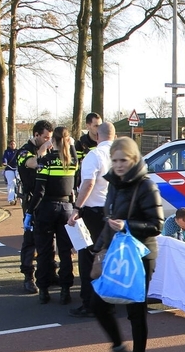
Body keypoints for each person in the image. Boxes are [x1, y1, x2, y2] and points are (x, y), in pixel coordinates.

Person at [91, 136, 164, 352]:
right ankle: (119, 350)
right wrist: (97, 248)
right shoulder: (114, 183)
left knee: (135, 309)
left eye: (123, 160)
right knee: (98, 303)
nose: (119, 165)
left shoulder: (146, 185)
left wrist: (128, 225)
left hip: (141, 254)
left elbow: (157, 225)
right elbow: (109, 221)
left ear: (133, 159)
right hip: (116, 252)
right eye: (114, 160)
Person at [67, 121, 114, 317]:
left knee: (89, 258)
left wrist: (77, 208)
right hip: (116, 212)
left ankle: (90, 303)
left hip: (94, 212)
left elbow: (88, 183)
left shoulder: (94, 155)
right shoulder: (125, 155)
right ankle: (110, 300)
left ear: (97, 136)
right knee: (110, 257)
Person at [27, 126, 77, 305]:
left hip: (47, 208)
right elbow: (74, 156)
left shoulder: (46, 161)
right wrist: (70, 145)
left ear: (52, 141)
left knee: (44, 251)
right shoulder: (72, 162)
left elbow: (39, 191)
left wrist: (29, 212)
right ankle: (65, 291)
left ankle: (44, 290)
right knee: (65, 252)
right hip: (67, 208)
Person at [16, 121, 53, 294]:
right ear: (36, 135)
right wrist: (42, 151)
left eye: (50, 138)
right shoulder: (24, 151)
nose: (48, 140)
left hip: (47, 199)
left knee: (48, 238)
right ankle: (28, 277)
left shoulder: (49, 149)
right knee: (30, 239)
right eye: (45, 137)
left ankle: (49, 272)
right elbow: (31, 163)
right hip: (31, 200)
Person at [74, 112, 102, 190]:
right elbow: (76, 165)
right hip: (86, 183)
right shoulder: (81, 144)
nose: (99, 128)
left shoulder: (104, 142)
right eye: (96, 126)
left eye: (100, 126)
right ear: (88, 126)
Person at [1, 140, 18, 205]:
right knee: (11, 183)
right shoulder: (7, 152)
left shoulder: (18, 151)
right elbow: (4, 158)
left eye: (14, 144)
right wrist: (5, 162)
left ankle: (20, 195)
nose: (13, 145)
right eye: (11, 144)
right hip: (9, 168)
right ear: (9, 145)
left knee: (19, 181)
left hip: (17, 168)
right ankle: (11, 199)